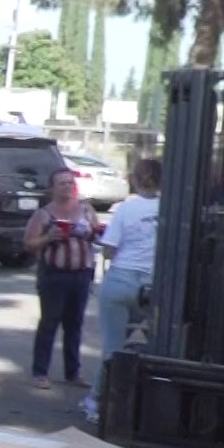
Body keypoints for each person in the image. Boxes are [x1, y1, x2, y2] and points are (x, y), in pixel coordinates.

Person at [87, 157, 162, 421]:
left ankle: (97, 401)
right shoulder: (170, 211)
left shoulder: (125, 210)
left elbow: (109, 250)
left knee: (112, 348)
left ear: (135, 179)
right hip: (153, 286)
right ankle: (143, 403)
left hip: (121, 280)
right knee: (147, 347)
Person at [25, 169, 99, 389]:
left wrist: (94, 234)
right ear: (52, 188)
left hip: (81, 274)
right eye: (62, 183)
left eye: (70, 183)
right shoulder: (44, 214)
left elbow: (99, 234)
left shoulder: (86, 210)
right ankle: (40, 372)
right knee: (49, 323)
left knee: (75, 324)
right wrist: (48, 237)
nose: (67, 187)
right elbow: (28, 243)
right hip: (54, 275)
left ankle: (73, 372)